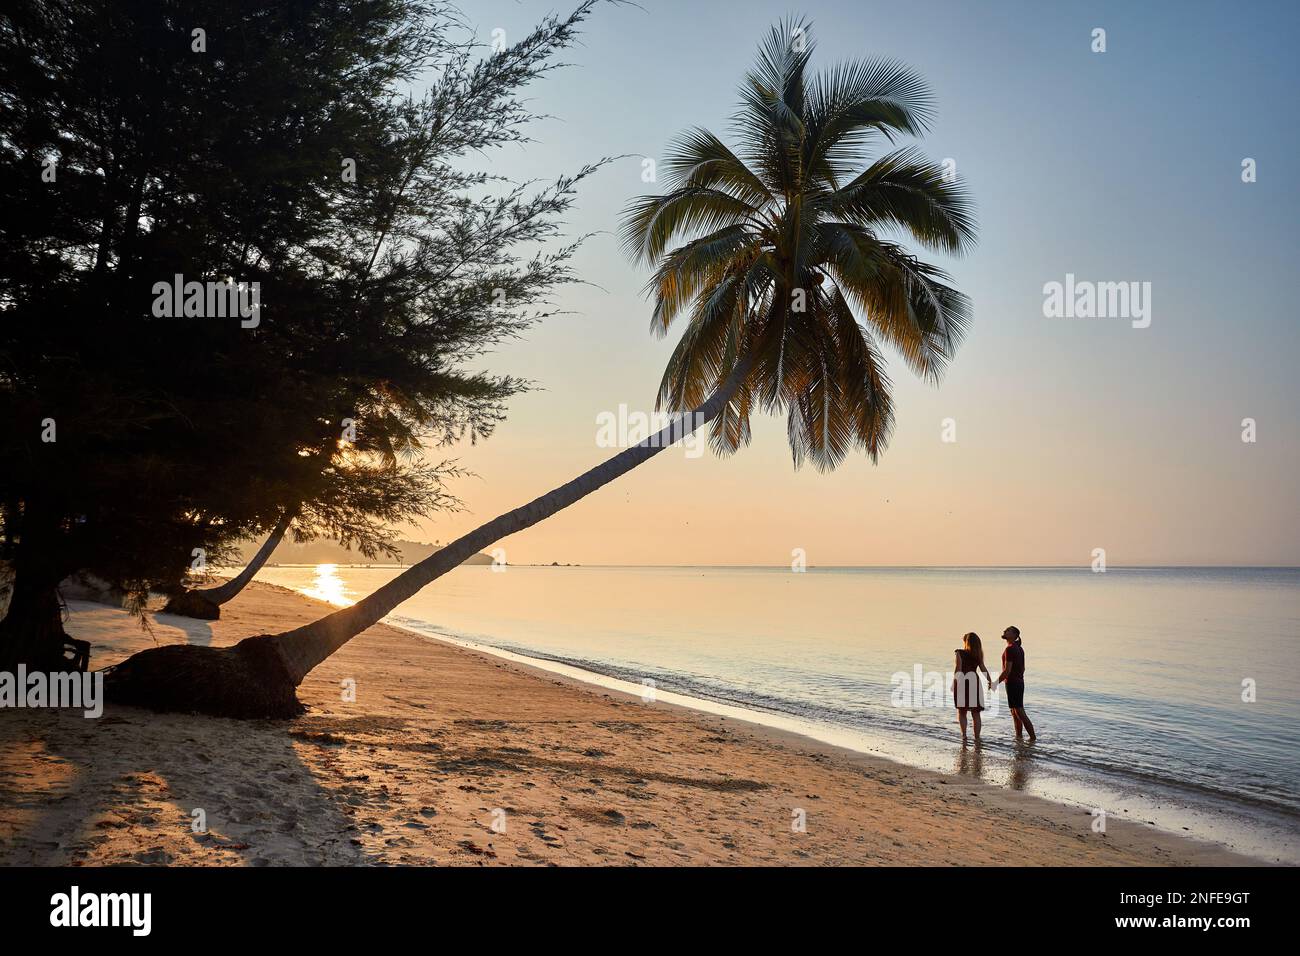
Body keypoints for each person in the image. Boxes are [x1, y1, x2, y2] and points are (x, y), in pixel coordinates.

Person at [993, 625, 1037, 741]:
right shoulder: (1019, 648)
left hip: (1013, 683)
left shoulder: (1010, 649)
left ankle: (1033, 739)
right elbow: (1023, 668)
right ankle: (1019, 738)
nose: (1005, 631)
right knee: (1014, 712)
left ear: (1014, 635)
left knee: (1019, 712)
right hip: (1018, 683)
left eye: (1008, 630)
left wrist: (995, 683)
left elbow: (1007, 670)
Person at [952, 632, 992, 743]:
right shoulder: (977, 655)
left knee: (962, 711)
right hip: (974, 682)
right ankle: (977, 737)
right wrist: (990, 680)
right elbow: (983, 669)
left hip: (962, 681)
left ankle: (964, 736)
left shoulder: (959, 653)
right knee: (976, 713)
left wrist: (954, 682)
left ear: (966, 642)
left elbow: (958, 669)